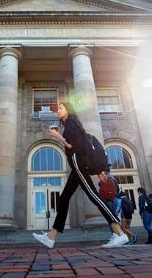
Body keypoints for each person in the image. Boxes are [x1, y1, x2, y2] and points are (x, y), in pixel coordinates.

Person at [32, 102, 129, 248]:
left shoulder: (71, 122)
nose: (57, 110)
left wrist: (58, 136)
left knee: (93, 195)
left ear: (68, 110)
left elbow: (74, 146)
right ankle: (51, 237)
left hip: (77, 162)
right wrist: (98, 171)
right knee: (64, 198)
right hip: (76, 164)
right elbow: (83, 147)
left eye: (60, 108)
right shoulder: (71, 124)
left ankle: (119, 233)